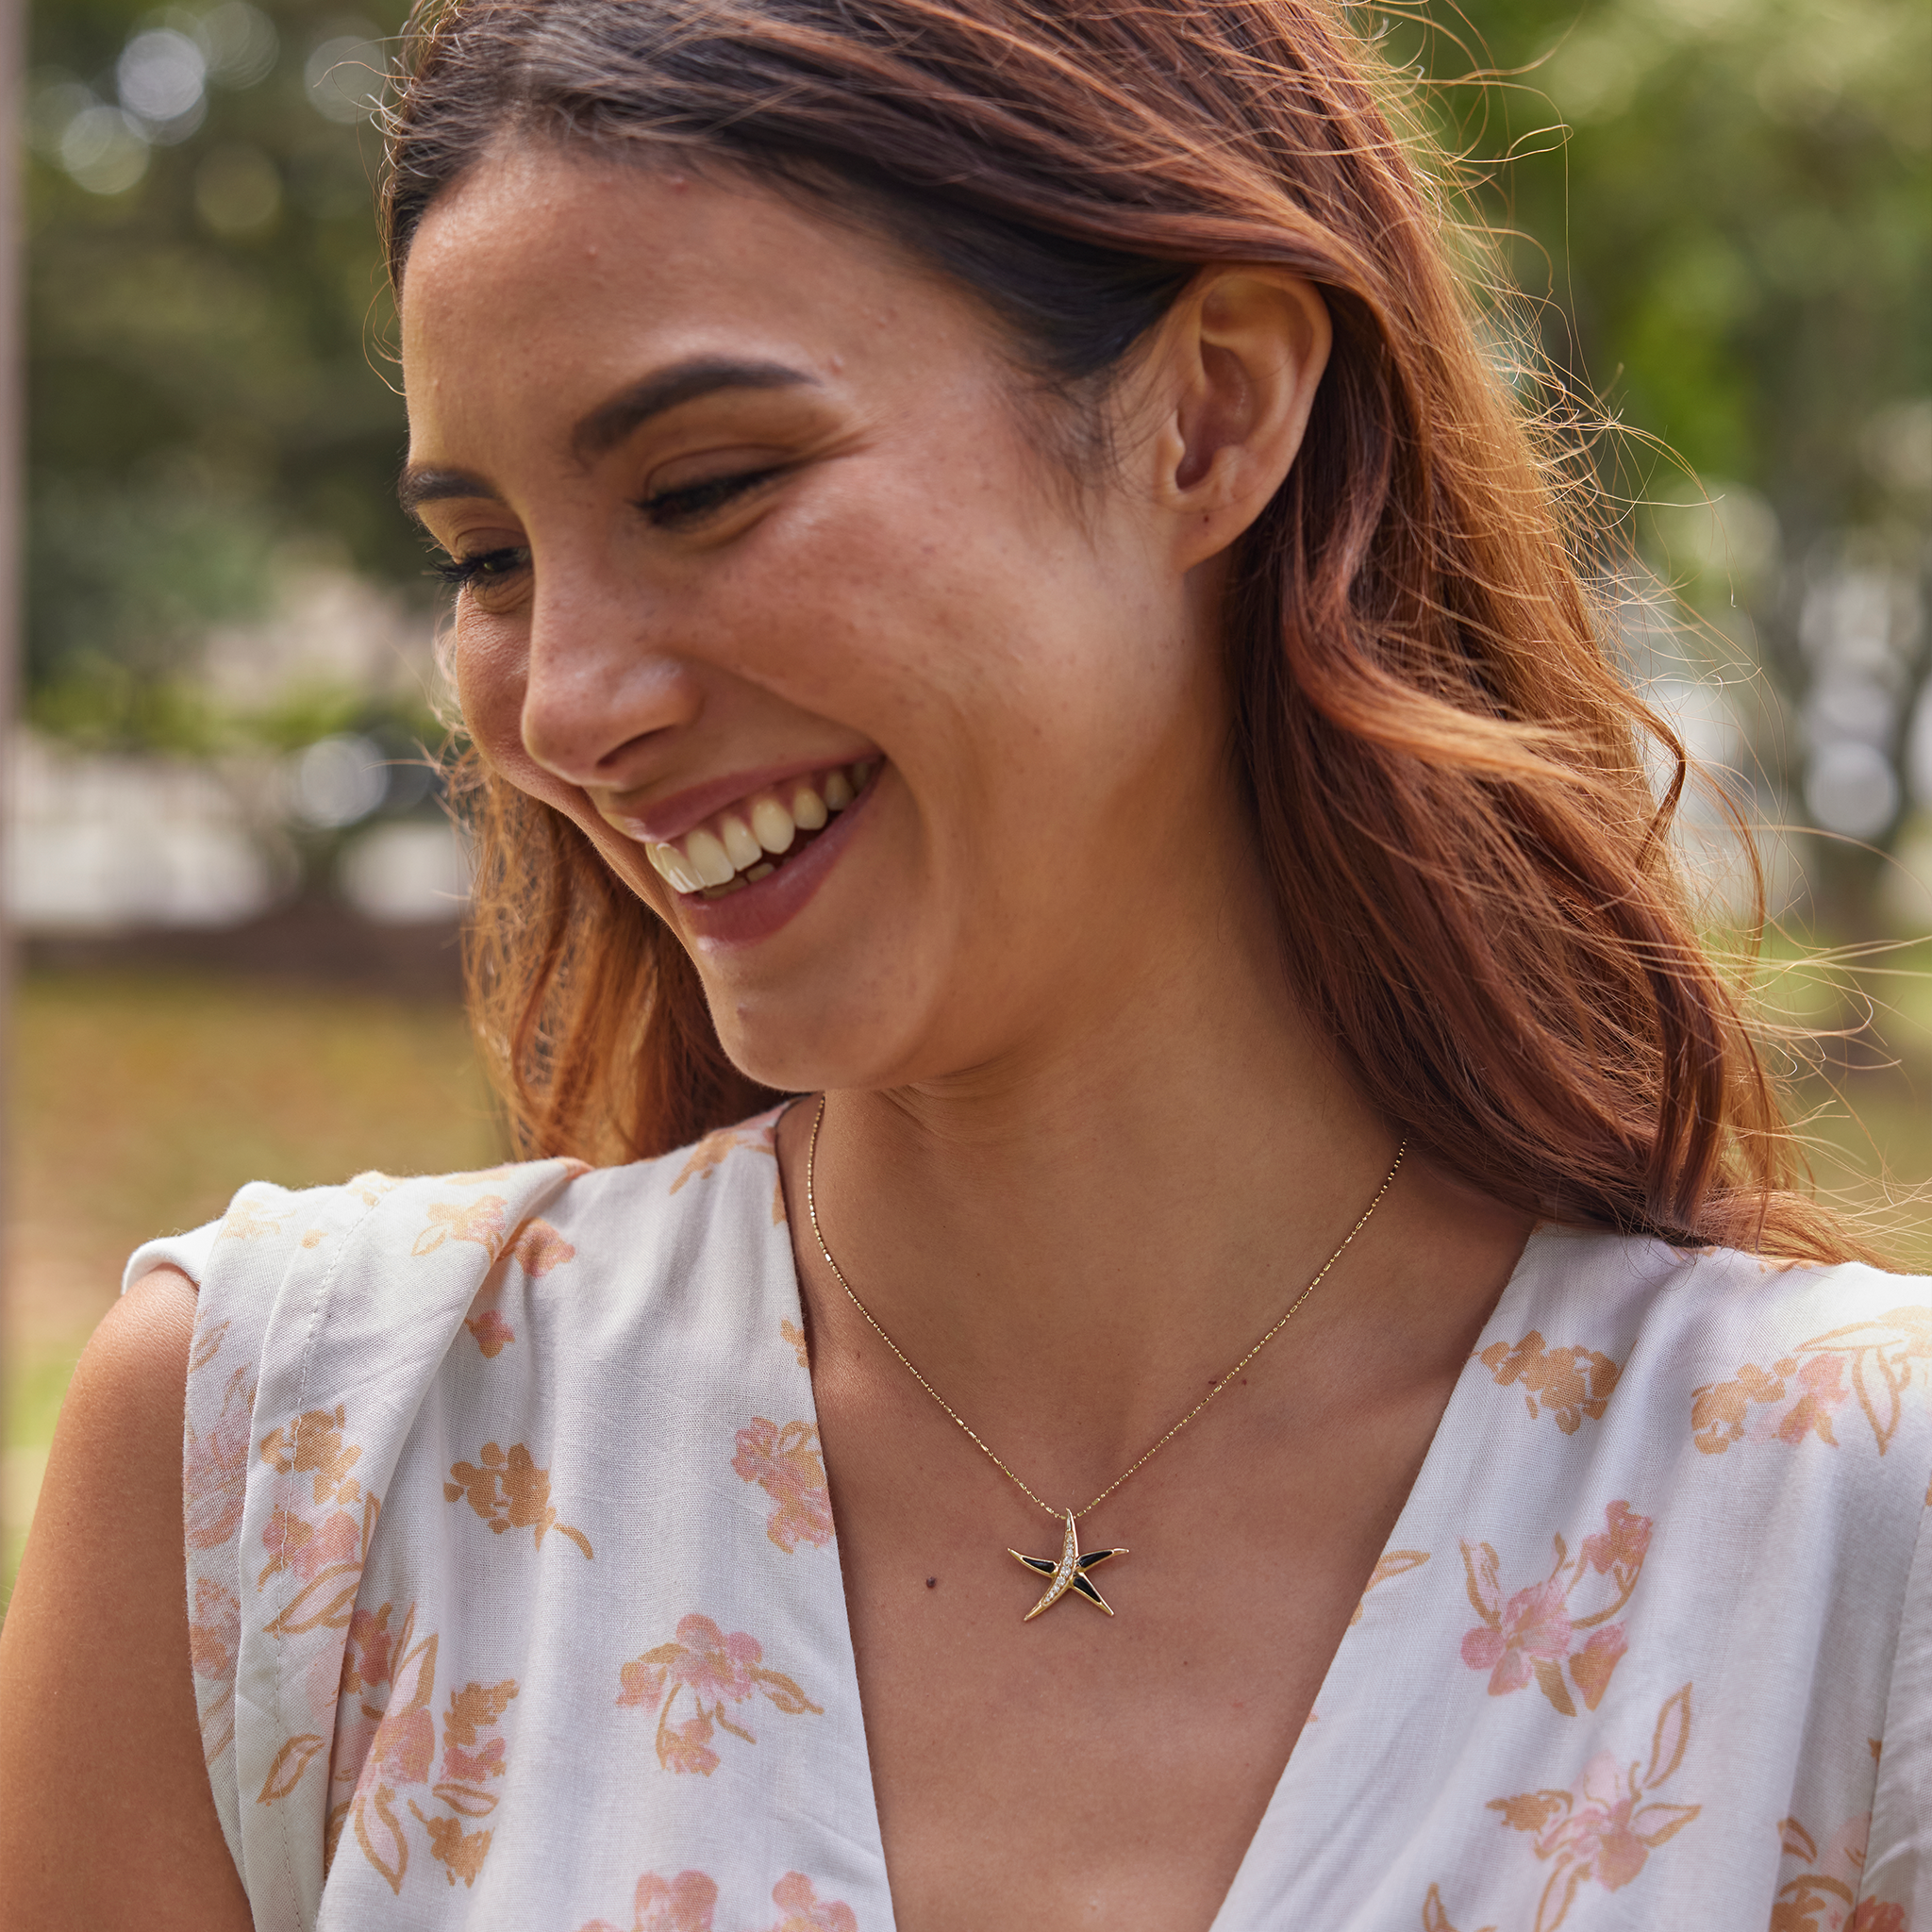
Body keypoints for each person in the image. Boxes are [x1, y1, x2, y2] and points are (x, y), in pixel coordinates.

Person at [2, 1, 1925, 1925]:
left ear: (1211, 417)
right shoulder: (287, 1469)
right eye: (488, 558)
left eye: (699, 489)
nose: (568, 702)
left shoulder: (1853, 1536)